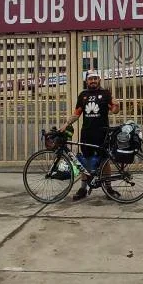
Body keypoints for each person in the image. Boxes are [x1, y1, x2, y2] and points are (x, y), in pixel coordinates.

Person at [61, 70, 121, 200]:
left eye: (95, 78)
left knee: (105, 161)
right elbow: (77, 113)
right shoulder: (83, 95)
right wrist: (66, 124)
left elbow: (114, 111)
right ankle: (83, 188)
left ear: (99, 80)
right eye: (90, 79)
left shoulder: (105, 94)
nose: (93, 81)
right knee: (86, 161)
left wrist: (117, 105)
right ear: (86, 81)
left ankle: (109, 188)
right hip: (87, 133)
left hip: (102, 133)